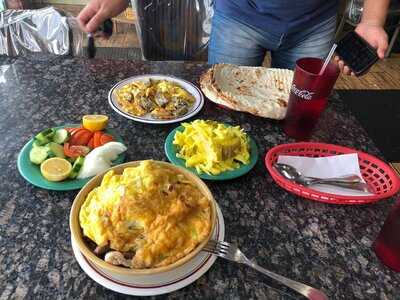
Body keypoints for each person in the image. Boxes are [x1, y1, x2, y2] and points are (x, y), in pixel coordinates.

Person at [77, 0, 389, 75]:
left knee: (294, 113)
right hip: (239, 15)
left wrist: (373, 20)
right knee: (225, 106)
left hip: (314, 21)